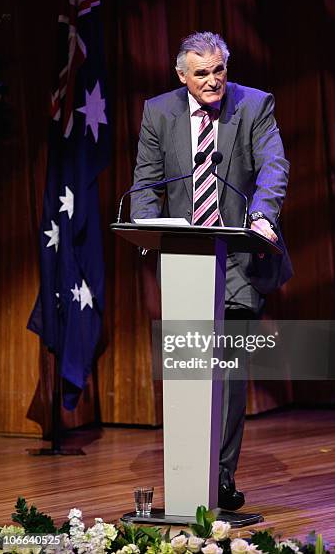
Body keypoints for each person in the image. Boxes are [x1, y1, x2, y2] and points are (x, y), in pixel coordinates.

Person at [131, 31, 292, 510]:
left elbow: (273, 166)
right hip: (186, 262)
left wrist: (262, 216)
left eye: (219, 69)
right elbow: (146, 183)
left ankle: (218, 478)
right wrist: (146, 227)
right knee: (190, 368)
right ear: (182, 76)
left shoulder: (255, 105)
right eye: (201, 72)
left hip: (240, 258)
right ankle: (186, 475)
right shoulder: (159, 112)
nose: (213, 80)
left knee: (227, 375)